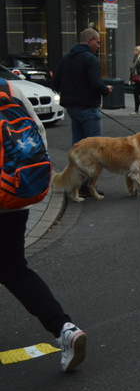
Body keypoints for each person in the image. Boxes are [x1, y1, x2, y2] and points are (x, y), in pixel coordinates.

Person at [0, 80, 87, 373]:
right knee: (14, 269)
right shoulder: (9, 87)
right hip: (16, 195)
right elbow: (37, 133)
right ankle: (65, 328)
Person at [52, 28, 113, 147]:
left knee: (78, 147)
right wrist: (106, 90)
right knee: (95, 147)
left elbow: (55, 84)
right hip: (88, 107)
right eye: (98, 42)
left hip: (72, 108)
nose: (99, 46)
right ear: (90, 40)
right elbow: (95, 84)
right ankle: (92, 166)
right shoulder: (90, 58)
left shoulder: (66, 59)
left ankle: (77, 165)